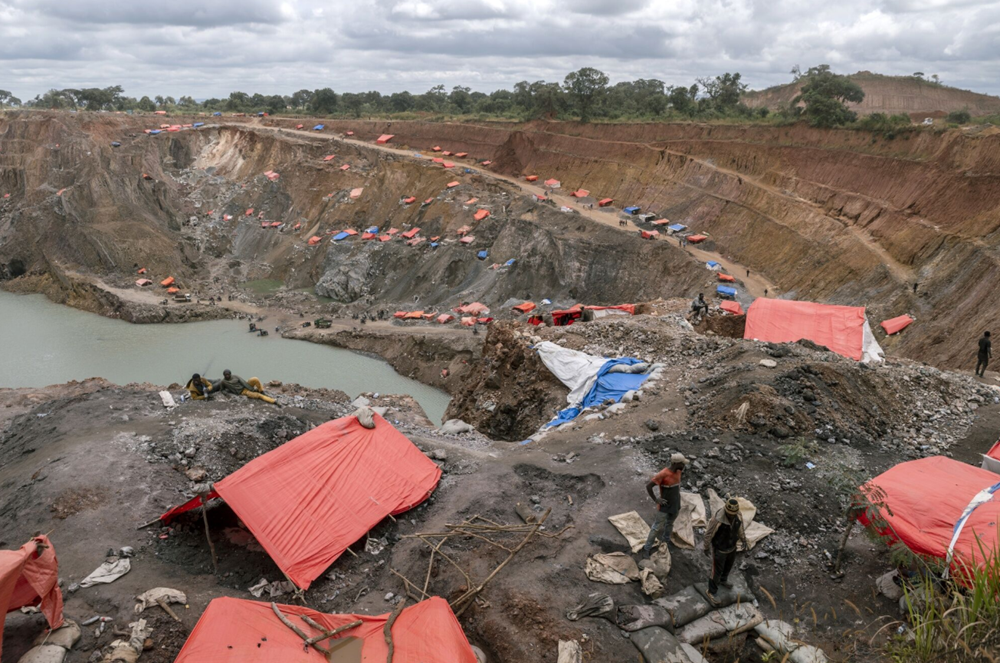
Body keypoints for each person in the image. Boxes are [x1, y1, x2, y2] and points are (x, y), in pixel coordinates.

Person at [704, 497, 749, 605]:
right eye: (730, 514)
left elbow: (740, 528)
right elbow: (709, 533)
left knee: (728, 565)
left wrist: (744, 540)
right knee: (716, 571)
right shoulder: (718, 518)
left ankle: (723, 580)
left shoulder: (738, 515)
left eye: (733, 514)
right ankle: (711, 591)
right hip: (719, 548)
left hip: (732, 546)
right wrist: (706, 547)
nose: (732, 516)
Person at [642, 453, 689, 557]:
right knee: (656, 528)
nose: (684, 466)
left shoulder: (679, 471)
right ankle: (647, 548)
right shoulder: (663, 474)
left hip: (675, 504)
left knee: (669, 524)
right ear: (677, 463)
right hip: (664, 506)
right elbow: (649, 486)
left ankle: (665, 543)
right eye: (683, 463)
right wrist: (656, 499)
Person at [213, 369, 278, 404]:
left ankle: (261, 390)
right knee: (258, 395)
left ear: (230, 374)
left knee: (255, 379)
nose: (227, 376)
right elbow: (222, 389)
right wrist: (226, 393)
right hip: (242, 391)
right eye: (225, 375)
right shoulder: (223, 382)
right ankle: (273, 401)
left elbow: (243, 382)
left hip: (245, 386)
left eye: (228, 374)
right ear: (224, 375)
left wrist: (250, 388)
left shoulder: (235, 376)